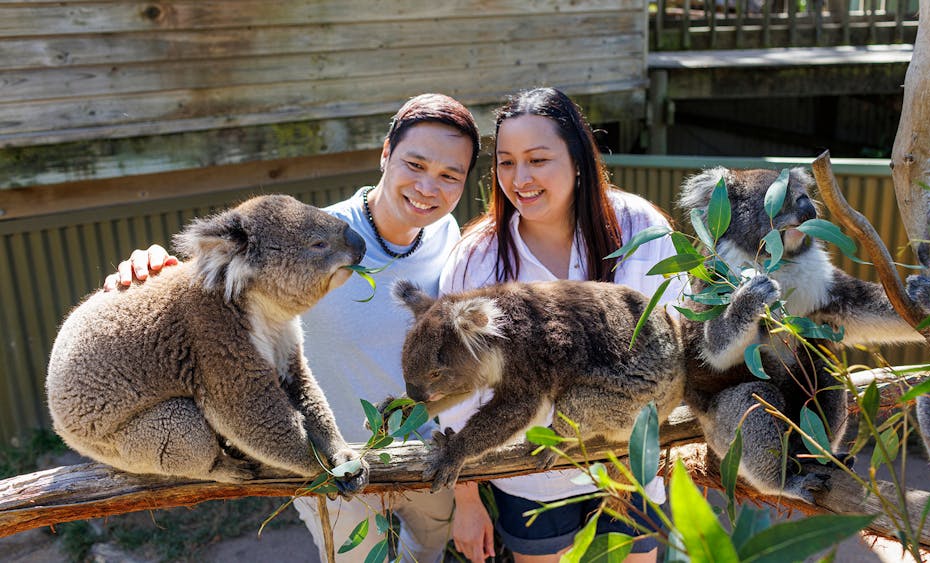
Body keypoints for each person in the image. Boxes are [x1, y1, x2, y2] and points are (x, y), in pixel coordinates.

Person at [104, 93, 481, 563]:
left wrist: (467, 492)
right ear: (386, 153)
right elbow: (213, 275)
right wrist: (149, 268)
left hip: (419, 449)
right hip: (328, 457)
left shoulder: (452, 239)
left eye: (451, 176)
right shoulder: (304, 243)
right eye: (416, 163)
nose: (429, 187)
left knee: (427, 550)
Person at [438, 87, 683, 563]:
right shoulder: (478, 260)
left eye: (538, 159)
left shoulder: (641, 231)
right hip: (530, 471)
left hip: (632, 459)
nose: (520, 178)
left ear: (577, 159)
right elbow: (455, 393)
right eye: (506, 162)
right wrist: (466, 499)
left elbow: (679, 344)